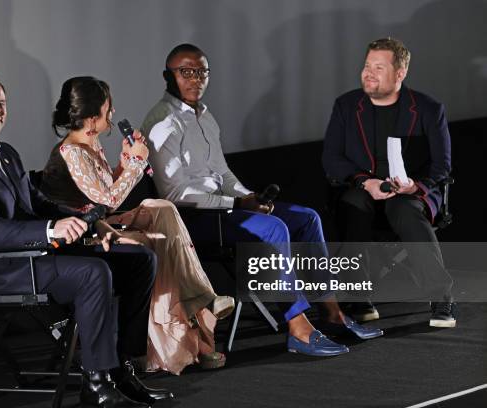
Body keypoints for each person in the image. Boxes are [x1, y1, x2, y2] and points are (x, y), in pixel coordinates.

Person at [0, 72, 172, 408]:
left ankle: (121, 368)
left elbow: (38, 204)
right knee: (93, 274)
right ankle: (97, 382)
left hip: (30, 255)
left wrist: (87, 225)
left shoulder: (6, 154)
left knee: (139, 261)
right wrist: (51, 230)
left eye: (0, 103)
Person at [142, 44, 383, 357]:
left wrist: (247, 197)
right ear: (168, 76)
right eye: (185, 72)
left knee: (307, 217)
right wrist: (236, 205)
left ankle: (332, 313)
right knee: (274, 228)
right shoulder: (163, 123)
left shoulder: (204, 117)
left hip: (227, 207)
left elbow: (223, 174)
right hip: (193, 221)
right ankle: (298, 328)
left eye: (202, 71)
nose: (195, 79)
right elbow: (174, 195)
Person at [40, 76, 236, 374]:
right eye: (108, 108)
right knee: (157, 241)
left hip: (105, 224)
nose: (114, 113)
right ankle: (200, 314)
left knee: (163, 209)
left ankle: (202, 306)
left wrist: (123, 163)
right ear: (93, 118)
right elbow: (107, 202)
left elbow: (106, 188)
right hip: (86, 236)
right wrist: (135, 165)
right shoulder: (72, 152)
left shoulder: (91, 144)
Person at [322, 37, 456, 328]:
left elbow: (441, 165)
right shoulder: (346, 105)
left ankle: (441, 295)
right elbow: (332, 159)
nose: (368, 73)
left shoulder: (429, 109)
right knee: (354, 206)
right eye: (367, 65)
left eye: (378, 67)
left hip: (411, 190)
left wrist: (414, 187)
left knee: (405, 210)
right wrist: (364, 182)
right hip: (363, 188)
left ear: (400, 73)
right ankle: (359, 297)